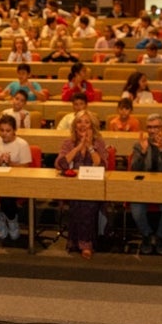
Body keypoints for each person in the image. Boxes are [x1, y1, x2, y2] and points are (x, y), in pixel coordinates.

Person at [54, 110, 107, 260]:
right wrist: (78, 147)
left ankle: (83, 243)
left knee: (86, 202)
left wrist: (89, 146)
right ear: (74, 125)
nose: (82, 125)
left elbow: (102, 165)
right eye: (79, 122)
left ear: (92, 126)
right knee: (78, 200)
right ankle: (83, 243)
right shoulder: (68, 143)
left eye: (86, 122)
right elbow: (60, 164)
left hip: (93, 188)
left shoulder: (99, 143)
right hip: (72, 187)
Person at [128, 112, 162, 255]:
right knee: (137, 211)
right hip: (143, 189)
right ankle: (146, 235)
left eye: (156, 127)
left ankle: (161, 237)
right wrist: (144, 152)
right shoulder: (139, 145)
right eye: (149, 127)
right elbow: (134, 169)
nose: (152, 131)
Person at [0, 114, 33, 242]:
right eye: (1, 130)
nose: (4, 134)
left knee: (6, 199)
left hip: (15, 182)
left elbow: (26, 168)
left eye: (8, 131)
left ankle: (12, 221)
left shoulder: (22, 144)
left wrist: (10, 163)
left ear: (14, 130)